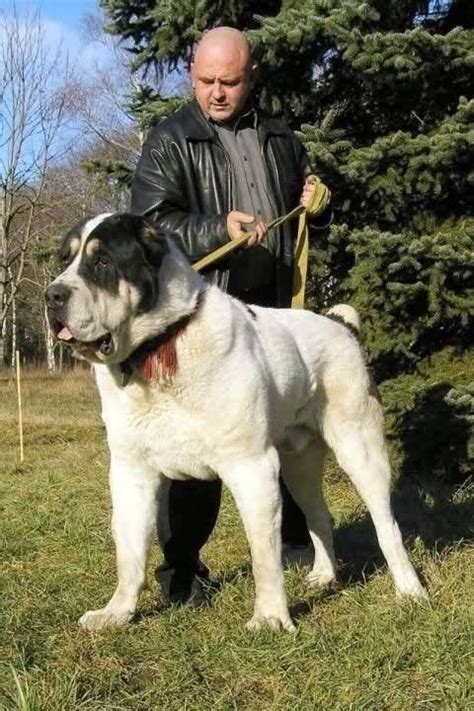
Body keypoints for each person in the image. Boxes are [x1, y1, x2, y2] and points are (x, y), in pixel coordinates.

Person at [130, 27, 332, 604]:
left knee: (285, 420)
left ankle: (296, 540)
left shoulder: (280, 136)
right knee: (202, 441)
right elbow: (147, 229)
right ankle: (183, 569)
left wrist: (315, 205)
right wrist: (217, 228)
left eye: (230, 81)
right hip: (206, 318)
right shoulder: (170, 140)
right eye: (205, 80)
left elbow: (299, 204)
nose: (216, 92)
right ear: (192, 74)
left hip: (274, 306)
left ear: (250, 78)